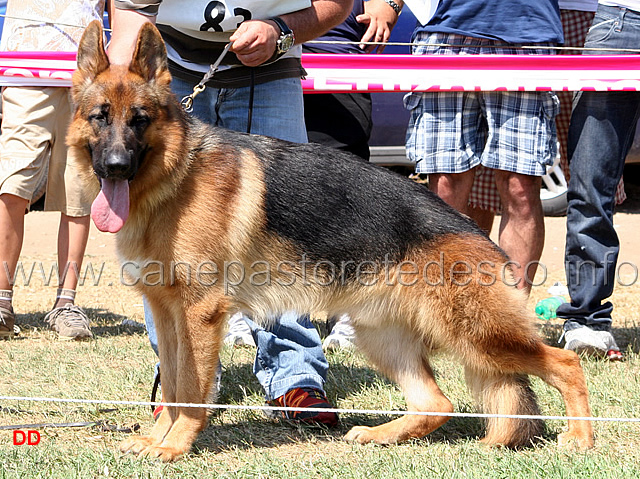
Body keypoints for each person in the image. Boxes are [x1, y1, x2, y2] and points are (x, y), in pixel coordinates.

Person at [108, 0, 353, 426]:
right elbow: (130, 20)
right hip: (174, 72)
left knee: (280, 231)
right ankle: (180, 384)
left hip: (270, 69)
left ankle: (295, 376)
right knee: (165, 249)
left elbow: (337, 5)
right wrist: (127, 87)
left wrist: (282, 30)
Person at [404, 0, 564, 295]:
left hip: (526, 34)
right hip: (446, 34)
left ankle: (511, 326)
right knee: (445, 188)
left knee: (520, 188)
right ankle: (448, 313)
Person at [465, 0, 626, 236]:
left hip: (585, 14)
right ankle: (474, 269)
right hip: (509, 18)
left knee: (593, 177)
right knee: (480, 180)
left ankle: (586, 271)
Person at [0, 0, 105, 340]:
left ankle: (66, 303)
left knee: (79, 193)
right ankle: (2, 301)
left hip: (88, 79)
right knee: (12, 185)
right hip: (21, 71)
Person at [555, 0, 639, 359]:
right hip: (621, 22)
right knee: (591, 184)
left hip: (618, 26)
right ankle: (588, 320)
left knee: (592, 185)